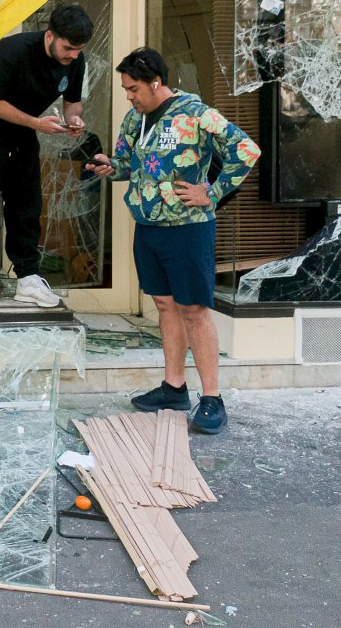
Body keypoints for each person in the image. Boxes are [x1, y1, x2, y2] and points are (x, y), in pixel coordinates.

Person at [86, 48, 260, 435]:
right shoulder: (135, 119)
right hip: (148, 226)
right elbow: (127, 164)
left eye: (133, 89)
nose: (128, 96)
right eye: (125, 89)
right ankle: (174, 387)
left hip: (188, 228)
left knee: (193, 309)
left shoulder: (195, 114)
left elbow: (246, 150)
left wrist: (211, 193)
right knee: (165, 306)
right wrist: (109, 166)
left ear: (155, 83)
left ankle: (212, 398)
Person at [0, 5, 94, 308]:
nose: (73, 55)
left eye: (79, 49)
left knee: (26, 201)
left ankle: (28, 278)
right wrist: (36, 123)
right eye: (68, 48)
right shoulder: (14, 50)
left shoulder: (75, 60)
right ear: (50, 36)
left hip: (24, 126)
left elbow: (72, 102)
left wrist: (74, 120)